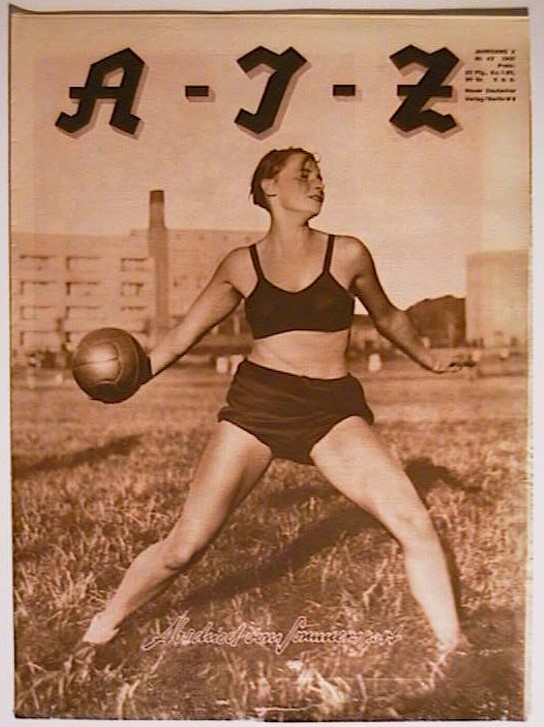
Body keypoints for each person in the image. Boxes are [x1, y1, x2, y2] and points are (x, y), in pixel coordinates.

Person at [83, 147, 467, 660]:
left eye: (319, 175)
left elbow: (388, 315)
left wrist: (429, 358)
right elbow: (185, 333)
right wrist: (133, 377)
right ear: (269, 187)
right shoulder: (241, 264)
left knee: (413, 521)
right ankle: (101, 629)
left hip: (332, 409)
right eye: (303, 175)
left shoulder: (348, 253)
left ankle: (454, 646)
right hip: (258, 407)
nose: (317, 183)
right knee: (184, 547)